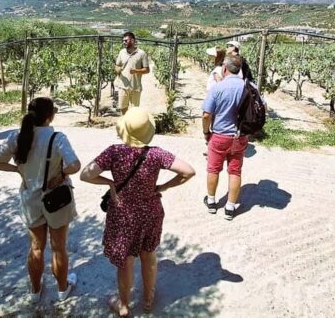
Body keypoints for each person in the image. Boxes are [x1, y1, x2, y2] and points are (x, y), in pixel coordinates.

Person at [80, 107, 195, 316]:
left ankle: (123, 306)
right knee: (149, 255)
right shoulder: (157, 154)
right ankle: (149, 299)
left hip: (123, 214)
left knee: (126, 262)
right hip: (151, 211)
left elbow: (85, 175)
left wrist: (110, 183)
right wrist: (164, 186)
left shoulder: (114, 152)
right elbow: (189, 171)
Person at [0, 97, 81, 304]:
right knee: (59, 248)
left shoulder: (17, 137)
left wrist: (16, 169)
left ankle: (35, 291)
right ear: (50, 116)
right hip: (56, 200)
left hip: (30, 199)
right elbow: (75, 165)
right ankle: (63, 289)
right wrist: (61, 176)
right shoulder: (58, 138)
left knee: (36, 247)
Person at [202, 53, 249, 221]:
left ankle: (212, 202)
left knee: (213, 169)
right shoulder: (248, 87)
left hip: (219, 136)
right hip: (240, 137)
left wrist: (206, 132)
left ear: (224, 68)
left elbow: (206, 114)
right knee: (235, 171)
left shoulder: (218, 87)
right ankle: (230, 208)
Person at [114, 31, 150, 115]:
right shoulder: (121, 52)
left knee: (134, 111)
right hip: (123, 86)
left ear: (133, 40)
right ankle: (126, 125)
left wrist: (135, 71)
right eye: (123, 41)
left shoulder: (142, 53)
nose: (124, 42)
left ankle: (132, 127)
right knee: (123, 108)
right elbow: (117, 66)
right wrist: (118, 69)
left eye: (126, 40)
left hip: (135, 87)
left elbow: (147, 70)